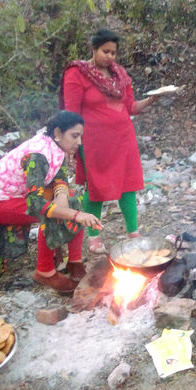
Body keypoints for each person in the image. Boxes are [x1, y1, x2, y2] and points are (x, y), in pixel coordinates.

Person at [0, 111, 102, 292]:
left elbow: (58, 175)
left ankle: (74, 262)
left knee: (74, 199)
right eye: (74, 136)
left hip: (21, 195)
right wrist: (75, 215)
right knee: (51, 211)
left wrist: (62, 196)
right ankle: (45, 272)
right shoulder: (37, 155)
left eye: (80, 137)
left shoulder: (55, 146)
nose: (79, 142)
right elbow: (35, 204)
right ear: (58, 132)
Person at [60, 28, 158, 254]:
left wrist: (152, 99)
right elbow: (71, 113)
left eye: (113, 53)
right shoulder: (77, 73)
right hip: (94, 142)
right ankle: (94, 237)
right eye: (106, 51)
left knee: (128, 185)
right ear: (93, 49)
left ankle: (133, 232)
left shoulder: (119, 75)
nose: (110, 57)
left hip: (123, 138)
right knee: (96, 187)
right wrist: (72, 144)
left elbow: (131, 107)